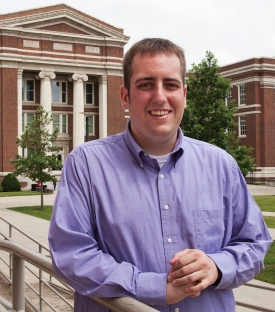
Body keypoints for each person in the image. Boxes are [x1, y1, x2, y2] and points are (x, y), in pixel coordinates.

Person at [48, 38, 272, 312]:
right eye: (145, 84)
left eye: (170, 84)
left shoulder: (221, 165)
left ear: (184, 94)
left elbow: (253, 242)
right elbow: (71, 255)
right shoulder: (85, 165)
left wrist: (216, 266)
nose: (159, 96)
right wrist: (153, 287)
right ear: (125, 96)